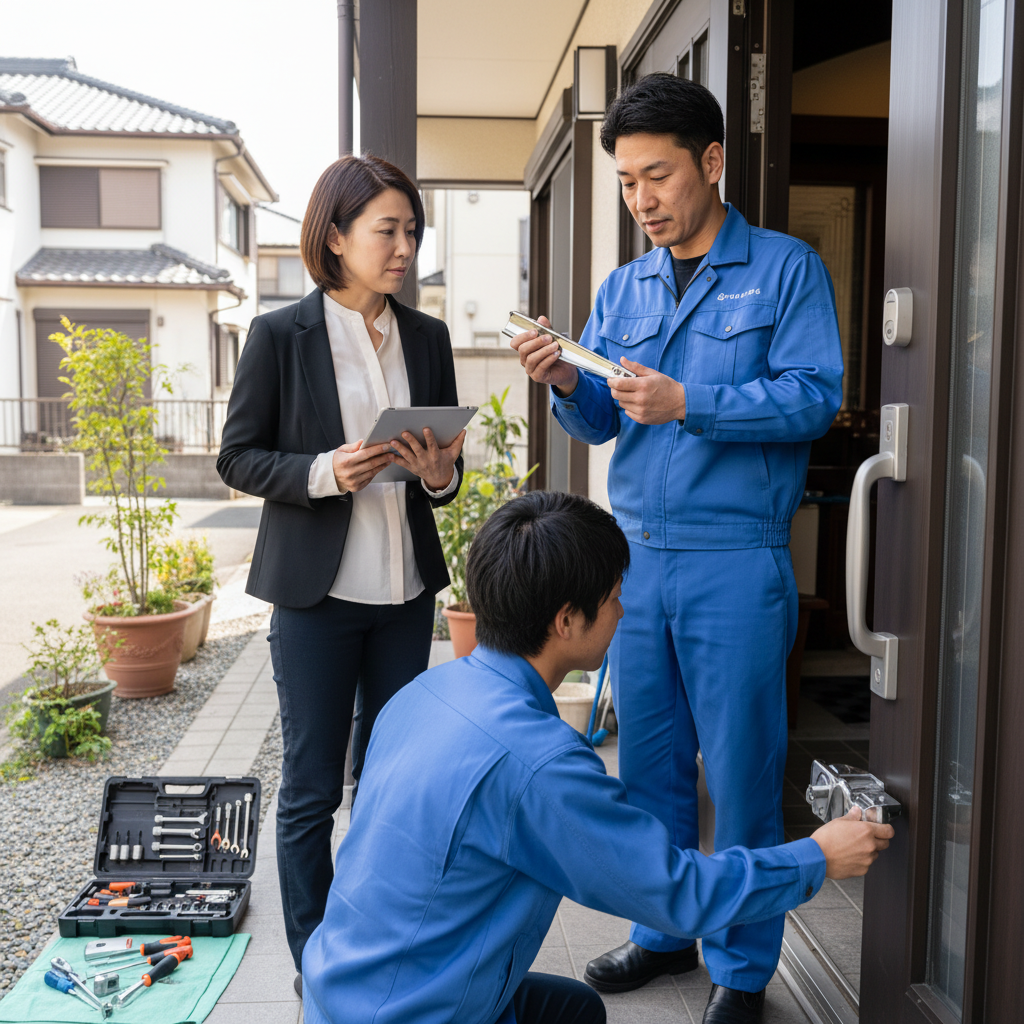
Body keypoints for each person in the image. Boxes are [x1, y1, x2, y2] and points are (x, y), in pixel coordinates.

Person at [510, 74, 845, 1023]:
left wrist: (694, 401)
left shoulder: (785, 269)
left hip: (737, 557)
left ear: (710, 161)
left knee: (738, 771)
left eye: (655, 175)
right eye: (624, 182)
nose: (641, 199)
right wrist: (560, 379)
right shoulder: (625, 285)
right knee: (647, 763)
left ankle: (742, 970)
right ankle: (663, 934)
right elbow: (601, 422)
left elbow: (816, 396)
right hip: (637, 564)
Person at [301, 491, 892, 1024]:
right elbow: (678, 893)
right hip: (407, 1011)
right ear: (565, 620)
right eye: (614, 598)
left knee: (576, 1009)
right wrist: (817, 857)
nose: (624, 613)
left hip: (343, 983)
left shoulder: (422, 693)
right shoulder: (539, 764)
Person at [217, 155, 466, 991]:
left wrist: (438, 473)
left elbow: (444, 472)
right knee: (312, 788)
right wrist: (325, 471)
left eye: (412, 231)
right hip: (316, 597)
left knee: (390, 784)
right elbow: (238, 457)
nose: (404, 247)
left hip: (403, 594)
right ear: (335, 236)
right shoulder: (279, 335)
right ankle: (315, 959)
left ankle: (378, 935)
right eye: (387, 230)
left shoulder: (426, 336)